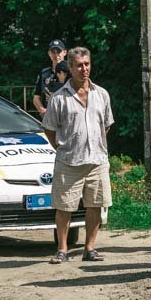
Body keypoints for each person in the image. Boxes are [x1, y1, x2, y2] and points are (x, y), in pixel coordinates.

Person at [42, 47, 115, 264]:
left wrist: (94, 142)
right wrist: (62, 146)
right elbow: (49, 128)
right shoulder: (59, 98)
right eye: (79, 65)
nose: (84, 69)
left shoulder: (101, 94)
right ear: (71, 67)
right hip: (69, 160)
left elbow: (106, 125)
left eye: (87, 64)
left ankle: (89, 248)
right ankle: (62, 249)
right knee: (64, 207)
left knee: (95, 205)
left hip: (97, 161)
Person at [33, 39, 68, 116]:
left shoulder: (72, 72)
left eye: (59, 51)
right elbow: (36, 97)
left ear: (65, 52)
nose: (56, 55)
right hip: (48, 118)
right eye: (53, 52)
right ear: (49, 53)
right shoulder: (44, 73)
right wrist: (42, 110)